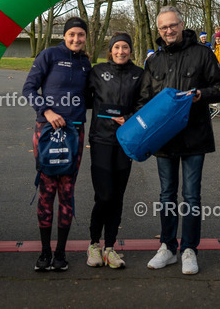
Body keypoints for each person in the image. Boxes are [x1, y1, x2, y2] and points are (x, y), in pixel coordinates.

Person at [138, 6, 220, 275]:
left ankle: (189, 249)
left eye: (172, 25)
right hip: (163, 139)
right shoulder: (153, 61)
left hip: (194, 136)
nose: (168, 30)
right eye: (163, 27)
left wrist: (201, 94)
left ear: (182, 23)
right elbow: (143, 99)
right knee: (166, 194)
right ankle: (167, 247)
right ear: (159, 30)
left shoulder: (203, 54)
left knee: (191, 196)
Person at [22, 16, 91, 272]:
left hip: (75, 131)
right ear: (65, 35)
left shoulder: (85, 62)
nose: (76, 38)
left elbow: (90, 97)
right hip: (47, 130)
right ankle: (44, 252)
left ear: (86, 37)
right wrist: (47, 111)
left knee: (67, 191)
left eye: (81, 35)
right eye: (72, 34)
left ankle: (60, 253)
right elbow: (29, 89)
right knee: (47, 190)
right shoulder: (49, 55)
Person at [85, 32, 143, 270]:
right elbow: (84, 98)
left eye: (125, 47)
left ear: (130, 50)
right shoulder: (97, 71)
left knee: (117, 196)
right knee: (104, 195)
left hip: (125, 140)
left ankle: (109, 247)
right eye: (117, 47)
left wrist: (128, 118)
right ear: (110, 50)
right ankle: (93, 244)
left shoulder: (139, 74)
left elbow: (144, 103)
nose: (121, 51)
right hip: (101, 139)